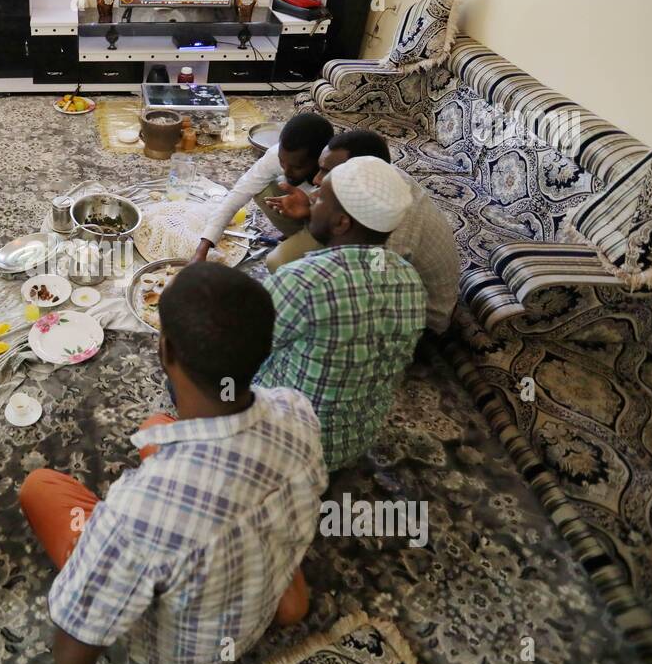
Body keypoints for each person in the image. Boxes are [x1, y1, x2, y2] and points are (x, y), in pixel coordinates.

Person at [19, 262, 326, 664]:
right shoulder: (297, 410)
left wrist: (98, 566)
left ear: (164, 351)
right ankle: (284, 596)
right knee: (155, 428)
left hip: (182, 653)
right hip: (256, 596)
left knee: (39, 486)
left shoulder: (135, 513)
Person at [255, 156, 427, 471]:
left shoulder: (303, 280)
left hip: (286, 444)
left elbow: (241, 351)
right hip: (351, 443)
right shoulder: (409, 277)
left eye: (319, 200)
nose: (311, 199)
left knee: (193, 362)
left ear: (341, 224)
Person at [270, 129, 459, 332]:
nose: (316, 179)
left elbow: (370, 290)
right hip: (386, 286)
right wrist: (312, 211)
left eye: (327, 172)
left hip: (422, 323)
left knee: (285, 268)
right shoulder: (380, 180)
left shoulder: (390, 233)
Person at [191, 111, 332, 264]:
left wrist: (309, 213)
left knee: (276, 262)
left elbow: (342, 232)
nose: (286, 171)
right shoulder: (277, 156)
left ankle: (306, 243)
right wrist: (202, 250)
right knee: (262, 189)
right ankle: (295, 234)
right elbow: (237, 195)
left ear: (320, 159)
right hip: (309, 215)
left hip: (328, 231)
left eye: (297, 167)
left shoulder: (338, 175)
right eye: (282, 162)